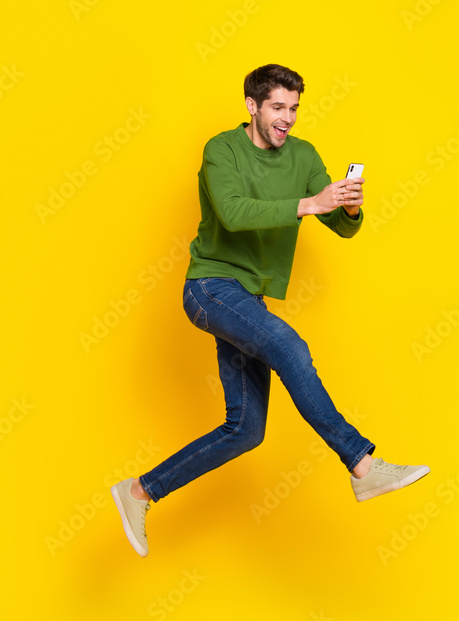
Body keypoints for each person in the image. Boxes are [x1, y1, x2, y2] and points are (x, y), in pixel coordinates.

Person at [110, 64, 429, 557]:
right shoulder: (222, 150)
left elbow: (343, 228)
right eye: (278, 107)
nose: (288, 119)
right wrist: (309, 203)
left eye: (295, 108)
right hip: (211, 287)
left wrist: (346, 207)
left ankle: (138, 491)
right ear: (252, 105)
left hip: (248, 300)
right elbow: (234, 213)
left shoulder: (303, 156)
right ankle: (362, 465)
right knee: (289, 346)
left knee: (245, 431)